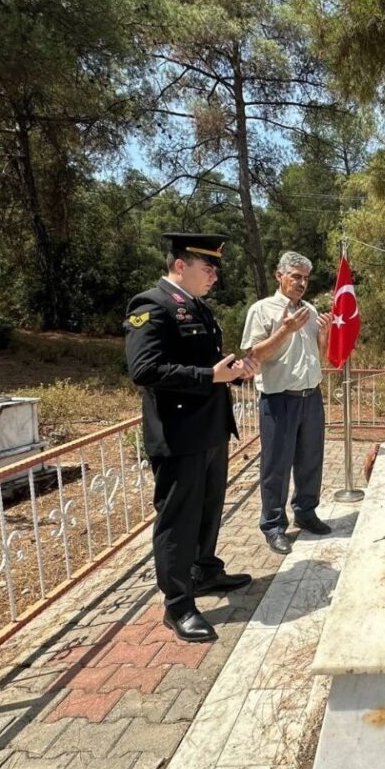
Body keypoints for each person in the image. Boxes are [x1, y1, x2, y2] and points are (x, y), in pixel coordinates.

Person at [125, 232, 257, 644]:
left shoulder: (197, 308)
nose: (214, 275)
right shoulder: (152, 306)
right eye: (208, 267)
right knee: (178, 520)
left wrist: (234, 370)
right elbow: (144, 370)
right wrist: (210, 376)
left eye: (215, 268)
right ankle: (178, 605)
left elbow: (204, 364)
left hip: (210, 429)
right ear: (180, 266)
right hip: (179, 435)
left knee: (207, 509)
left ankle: (205, 571)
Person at [242, 251, 333, 555]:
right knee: (276, 466)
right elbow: (254, 356)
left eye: (306, 277)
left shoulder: (308, 310)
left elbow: (317, 357)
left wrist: (323, 335)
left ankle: (306, 512)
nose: (301, 282)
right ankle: (273, 525)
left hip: (311, 396)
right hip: (279, 399)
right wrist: (285, 329)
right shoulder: (262, 310)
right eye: (295, 276)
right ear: (279, 275)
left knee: (311, 460)